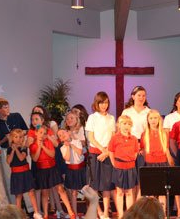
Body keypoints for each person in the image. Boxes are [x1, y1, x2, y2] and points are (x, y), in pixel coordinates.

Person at [30, 126, 76, 219]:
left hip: (52, 168)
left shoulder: (48, 142)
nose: (42, 135)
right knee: (45, 193)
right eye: (40, 133)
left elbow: (52, 154)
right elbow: (35, 158)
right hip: (41, 170)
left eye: (44, 133)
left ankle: (70, 210)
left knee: (60, 189)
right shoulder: (32, 145)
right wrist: (39, 147)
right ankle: (46, 214)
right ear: (36, 133)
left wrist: (43, 146)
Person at [85, 91, 116, 219]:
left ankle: (105, 213)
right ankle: (98, 212)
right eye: (101, 102)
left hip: (107, 154)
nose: (104, 105)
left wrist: (107, 151)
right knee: (94, 185)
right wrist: (102, 150)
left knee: (107, 184)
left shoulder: (111, 118)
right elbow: (90, 137)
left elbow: (113, 138)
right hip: (95, 154)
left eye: (106, 102)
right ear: (96, 103)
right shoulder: (93, 117)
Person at [141, 109, 174, 212]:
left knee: (162, 191)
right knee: (151, 191)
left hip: (162, 163)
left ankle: (162, 212)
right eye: (151, 118)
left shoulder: (164, 133)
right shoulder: (144, 134)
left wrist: (171, 162)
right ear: (147, 120)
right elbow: (142, 150)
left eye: (155, 118)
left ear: (159, 119)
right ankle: (151, 213)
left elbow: (167, 149)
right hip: (150, 164)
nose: (153, 120)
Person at [109, 115, 140, 218]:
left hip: (130, 167)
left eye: (129, 124)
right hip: (119, 167)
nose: (127, 126)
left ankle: (128, 214)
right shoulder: (114, 138)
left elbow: (136, 153)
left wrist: (129, 160)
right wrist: (114, 163)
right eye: (124, 123)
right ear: (119, 125)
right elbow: (111, 151)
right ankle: (120, 214)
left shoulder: (134, 139)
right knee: (120, 192)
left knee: (129, 192)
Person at [7, 128, 42, 219]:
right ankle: (19, 215)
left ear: (23, 138)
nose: (18, 139)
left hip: (25, 173)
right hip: (16, 174)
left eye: (20, 137)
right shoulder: (9, 149)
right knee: (18, 195)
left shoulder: (24, 148)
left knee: (31, 192)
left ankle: (36, 212)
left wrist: (17, 150)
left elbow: (22, 158)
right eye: (16, 137)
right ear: (12, 138)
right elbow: (8, 161)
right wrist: (13, 150)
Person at [59, 128, 87, 216]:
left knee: (87, 190)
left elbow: (79, 152)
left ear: (68, 132)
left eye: (63, 132)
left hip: (81, 169)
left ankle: (90, 211)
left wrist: (71, 145)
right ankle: (75, 214)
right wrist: (67, 146)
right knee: (73, 193)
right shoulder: (62, 148)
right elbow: (67, 158)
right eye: (60, 135)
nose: (62, 135)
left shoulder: (77, 141)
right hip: (71, 170)